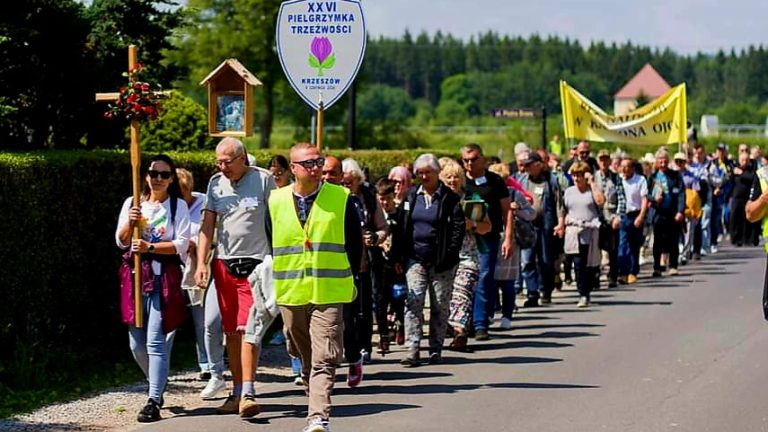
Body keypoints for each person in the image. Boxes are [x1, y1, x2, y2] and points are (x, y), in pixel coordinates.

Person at [266, 143, 362, 432]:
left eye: (318, 161)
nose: (315, 167)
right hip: (291, 290)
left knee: (325, 355)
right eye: (307, 163)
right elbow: (272, 240)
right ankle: (311, 385)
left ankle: (318, 417)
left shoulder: (341, 197)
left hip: (329, 290)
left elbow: (354, 244)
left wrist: (351, 277)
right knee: (300, 350)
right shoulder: (276, 200)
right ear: (293, 168)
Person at [194, 137, 276, 418]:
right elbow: (207, 226)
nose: (222, 167)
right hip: (224, 264)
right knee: (230, 331)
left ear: (243, 158)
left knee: (248, 329)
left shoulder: (264, 180)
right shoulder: (215, 183)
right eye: (218, 161)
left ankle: (249, 392)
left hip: (256, 264)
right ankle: (238, 391)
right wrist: (201, 263)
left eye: (227, 161)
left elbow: (277, 219)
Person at [115, 154, 190, 422]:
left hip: (162, 276)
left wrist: (151, 247)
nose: (158, 179)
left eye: (164, 174)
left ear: (171, 179)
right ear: (145, 175)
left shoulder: (177, 206)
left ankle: (153, 398)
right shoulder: (132, 203)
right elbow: (121, 242)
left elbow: (182, 243)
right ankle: (156, 381)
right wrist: (130, 223)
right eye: (154, 173)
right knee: (136, 344)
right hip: (135, 276)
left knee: (155, 340)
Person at [399, 153, 465, 366]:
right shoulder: (411, 196)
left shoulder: (449, 198)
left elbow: (457, 228)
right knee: (414, 300)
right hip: (415, 257)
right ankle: (413, 348)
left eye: (429, 172)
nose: (425, 177)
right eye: (420, 173)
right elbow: (401, 227)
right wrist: (399, 256)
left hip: (442, 261)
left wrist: (449, 255)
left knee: (439, 304)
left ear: (437, 173)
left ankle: (435, 349)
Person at [174, 168, 225, 399]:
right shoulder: (171, 205)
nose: (179, 193)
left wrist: (196, 247)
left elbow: (209, 231)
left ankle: (207, 364)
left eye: (182, 189)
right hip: (176, 266)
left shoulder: (203, 201)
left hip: (200, 264)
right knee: (175, 319)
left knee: (203, 318)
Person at [340, 158, 388, 386]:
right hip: (338, 264)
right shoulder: (334, 198)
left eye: (350, 182)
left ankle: (363, 348)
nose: (346, 185)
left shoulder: (368, 198)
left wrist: (375, 238)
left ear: (358, 180)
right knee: (344, 316)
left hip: (364, 263)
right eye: (343, 181)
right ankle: (350, 353)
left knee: (363, 309)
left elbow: (383, 227)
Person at [461, 144, 513, 341]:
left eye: (474, 159)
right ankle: (463, 322)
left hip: (487, 238)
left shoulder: (495, 181)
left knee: (484, 277)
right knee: (465, 280)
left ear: (482, 159)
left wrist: (508, 238)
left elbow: (507, 210)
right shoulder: (459, 181)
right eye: (466, 160)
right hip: (464, 240)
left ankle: (480, 323)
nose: (470, 163)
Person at [439, 158, 490, 352]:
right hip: (444, 255)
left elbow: (488, 226)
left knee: (462, 292)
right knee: (446, 295)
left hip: (468, 256)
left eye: (456, 177)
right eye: (448, 177)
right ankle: (450, 329)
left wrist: (473, 225)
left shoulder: (471, 200)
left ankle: (460, 331)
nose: (452, 181)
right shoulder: (439, 201)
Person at [519, 152, 564, 306]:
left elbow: (559, 203)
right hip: (527, 226)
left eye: (529, 164)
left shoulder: (550, 180)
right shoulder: (523, 180)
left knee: (545, 260)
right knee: (527, 260)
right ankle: (532, 294)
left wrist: (560, 223)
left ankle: (546, 290)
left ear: (538, 164)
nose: (526, 168)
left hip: (545, 225)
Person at [560, 161, 605, 307]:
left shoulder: (591, 190)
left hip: (590, 232)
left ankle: (589, 288)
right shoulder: (569, 192)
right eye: (574, 175)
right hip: (574, 231)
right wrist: (561, 224)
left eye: (579, 175)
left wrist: (592, 183)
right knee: (578, 264)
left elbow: (600, 201)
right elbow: (563, 210)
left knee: (590, 266)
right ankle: (583, 294)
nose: (576, 179)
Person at [373, 177, 406, 351]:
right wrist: (379, 243)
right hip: (379, 264)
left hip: (397, 264)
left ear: (394, 196)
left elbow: (406, 238)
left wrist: (400, 259)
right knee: (380, 299)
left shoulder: (401, 215)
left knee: (399, 297)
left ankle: (400, 323)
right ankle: (383, 335)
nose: (384, 202)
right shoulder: (376, 216)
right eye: (381, 199)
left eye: (387, 198)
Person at [648, 149, 685, 277]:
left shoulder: (675, 176)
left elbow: (681, 193)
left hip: (672, 212)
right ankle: (657, 267)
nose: (663, 163)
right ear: (657, 162)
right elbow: (646, 194)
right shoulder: (652, 177)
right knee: (658, 241)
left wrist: (680, 211)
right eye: (660, 161)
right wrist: (654, 199)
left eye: (665, 160)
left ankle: (673, 266)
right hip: (658, 212)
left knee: (673, 240)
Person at [616, 157, 648, 284]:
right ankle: (623, 272)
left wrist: (641, 216)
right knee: (622, 245)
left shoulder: (640, 180)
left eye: (627, 166)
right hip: (623, 216)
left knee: (634, 245)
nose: (624, 169)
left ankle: (633, 272)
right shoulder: (618, 180)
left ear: (633, 168)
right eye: (622, 166)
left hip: (636, 215)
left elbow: (644, 199)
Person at [594, 149, 623, 288]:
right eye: (601, 160)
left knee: (613, 248)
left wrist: (618, 216)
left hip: (611, 216)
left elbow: (622, 199)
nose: (604, 162)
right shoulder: (593, 178)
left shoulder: (616, 178)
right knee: (596, 249)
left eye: (606, 159)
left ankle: (613, 276)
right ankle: (595, 277)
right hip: (597, 217)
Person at [731, 152, 760, 246]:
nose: (744, 162)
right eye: (743, 160)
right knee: (736, 218)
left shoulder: (751, 169)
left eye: (746, 160)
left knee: (749, 219)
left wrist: (741, 173)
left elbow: (752, 178)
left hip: (748, 198)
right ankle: (736, 239)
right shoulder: (735, 168)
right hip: (737, 197)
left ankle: (748, 239)